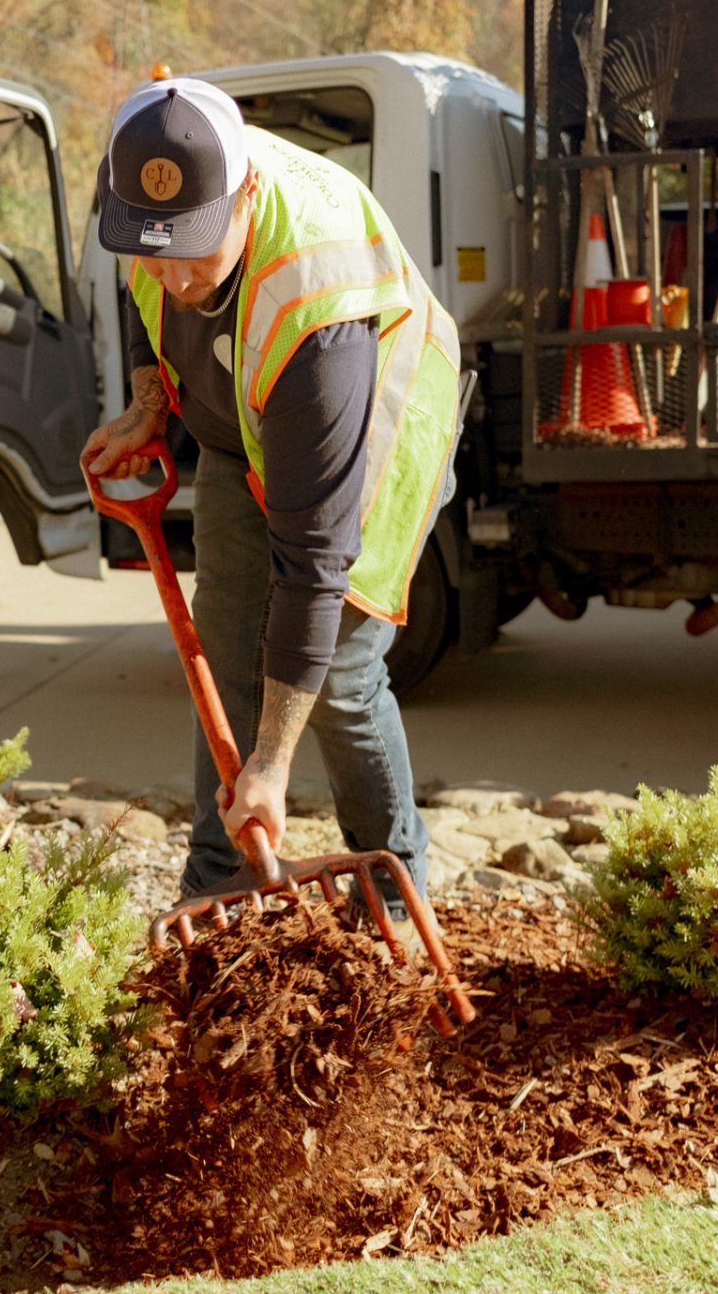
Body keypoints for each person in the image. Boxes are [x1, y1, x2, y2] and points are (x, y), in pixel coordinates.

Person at [80, 76, 461, 947]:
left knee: (341, 680)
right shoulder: (148, 203)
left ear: (244, 193)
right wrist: (148, 401)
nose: (173, 278)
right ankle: (219, 886)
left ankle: (394, 899)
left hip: (370, 437)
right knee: (225, 654)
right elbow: (145, 299)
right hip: (237, 428)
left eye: (195, 253)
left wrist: (273, 764)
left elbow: (313, 559)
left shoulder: (317, 303)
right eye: (151, 247)